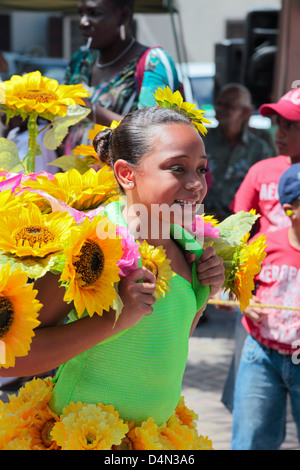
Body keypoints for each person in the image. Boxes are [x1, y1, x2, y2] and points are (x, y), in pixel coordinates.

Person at [0, 104, 225, 445]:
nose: (196, 183)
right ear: (125, 174)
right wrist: (115, 319)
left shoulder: (191, 249)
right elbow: (7, 357)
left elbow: (167, 342)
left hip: (152, 440)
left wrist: (206, 292)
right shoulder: (90, 246)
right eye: (177, 168)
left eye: (202, 168)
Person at [221, 86, 300, 413]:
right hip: (261, 307)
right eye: (277, 123)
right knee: (250, 407)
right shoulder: (261, 170)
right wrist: (236, 291)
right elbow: (235, 235)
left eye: (291, 125)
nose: (279, 133)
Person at [231, 163, 300, 450]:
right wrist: (244, 301)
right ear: (290, 210)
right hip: (261, 355)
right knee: (251, 440)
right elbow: (233, 286)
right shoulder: (265, 245)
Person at [64, 0, 181, 153]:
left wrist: (90, 109)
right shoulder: (80, 60)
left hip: (121, 174)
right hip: (70, 174)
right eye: (81, 13)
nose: (82, 22)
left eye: (95, 13)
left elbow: (153, 132)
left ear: (123, 17)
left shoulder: (153, 62)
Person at [204, 83, 274, 221]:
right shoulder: (200, 142)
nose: (220, 109)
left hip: (242, 226)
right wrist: (202, 215)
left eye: (229, 106)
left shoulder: (259, 149)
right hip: (200, 223)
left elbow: (266, 191)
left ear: (246, 112)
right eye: (219, 104)